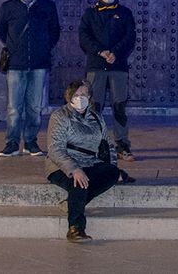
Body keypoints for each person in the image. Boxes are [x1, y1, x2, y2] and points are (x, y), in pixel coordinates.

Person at [45, 79, 122, 243]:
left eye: (84, 94)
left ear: (90, 97)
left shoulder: (97, 117)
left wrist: (112, 165)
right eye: (77, 94)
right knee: (78, 182)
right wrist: (74, 169)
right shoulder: (60, 116)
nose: (81, 97)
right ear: (70, 96)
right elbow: (55, 149)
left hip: (90, 162)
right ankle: (76, 227)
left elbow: (108, 145)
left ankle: (71, 203)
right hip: (62, 165)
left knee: (112, 174)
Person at [0, 0, 60, 157]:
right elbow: (2, 32)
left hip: (39, 64)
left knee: (34, 106)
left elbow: (55, 31)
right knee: (14, 107)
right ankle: (12, 143)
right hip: (16, 64)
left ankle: (31, 141)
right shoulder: (9, 7)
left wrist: (44, 47)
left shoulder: (47, 6)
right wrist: (15, 48)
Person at [79, 0, 137, 160]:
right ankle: (93, 144)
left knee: (119, 106)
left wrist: (114, 53)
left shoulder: (125, 13)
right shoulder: (90, 13)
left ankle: (122, 144)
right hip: (96, 66)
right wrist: (100, 52)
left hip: (117, 66)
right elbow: (84, 36)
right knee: (94, 106)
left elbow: (129, 37)